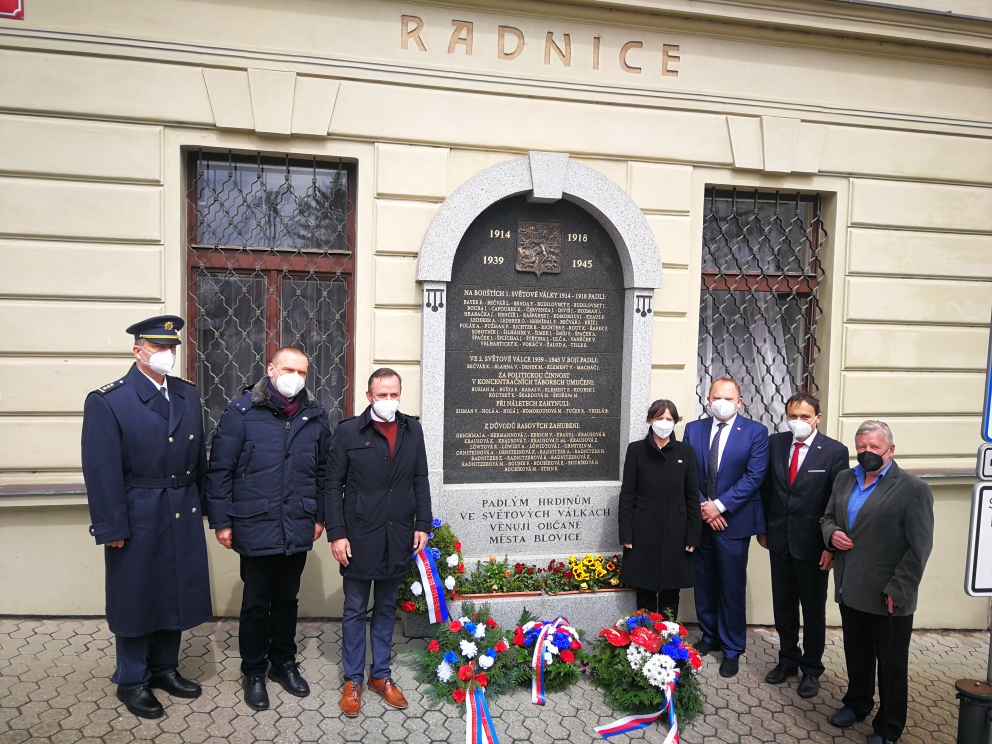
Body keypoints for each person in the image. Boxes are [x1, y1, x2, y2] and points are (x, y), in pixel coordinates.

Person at [81, 315, 211, 719]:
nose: (167, 354)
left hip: (181, 506)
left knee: (174, 591)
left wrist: (206, 508)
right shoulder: (109, 400)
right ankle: (133, 679)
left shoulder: (187, 394)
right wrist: (111, 525)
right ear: (138, 351)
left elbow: (199, 459)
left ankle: (164, 668)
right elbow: (101, 470)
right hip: (137, 511)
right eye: (158, 347)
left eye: (171, 348)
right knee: (136, 597)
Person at [204, 346, 331, 711]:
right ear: (271, 370)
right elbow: (221, 470)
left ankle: (283, 663)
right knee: (257, 603)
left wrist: (319, 516)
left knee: (287, 600)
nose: (296, 378)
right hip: (255, 522)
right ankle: (254, 671)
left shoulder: (315, 415)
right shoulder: (241, 412)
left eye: (302, 372)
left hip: (298, 523)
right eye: (289, 369)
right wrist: (221, 521)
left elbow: (323, 472)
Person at [326, 368, 432, 717]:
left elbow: (420, 478)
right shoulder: (348, 431)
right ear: (369, 396)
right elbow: (332, 486)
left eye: (394, 394)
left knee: (386, 608)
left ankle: (381, 675)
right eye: (382, 394)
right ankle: (353, 679)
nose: (388, 400)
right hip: (359, 534)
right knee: (355, 609)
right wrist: (337, 534)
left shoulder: (412, 429)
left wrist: (422, 524)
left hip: (397, 533)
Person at [821, 420, 934, 744]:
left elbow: (920, 546)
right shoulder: (845, 478)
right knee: (857, 654)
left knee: (891, 665)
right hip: (851, 588)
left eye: (874, 446)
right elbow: (827, 517)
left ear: (891, 449)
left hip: (889, 594)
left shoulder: (913, 488)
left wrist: (899, 588)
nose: (867, 452)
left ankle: (888, 726)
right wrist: (832, 534)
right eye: (861, 447)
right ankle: (857, 703)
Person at [757, 393, 849, 699]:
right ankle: (787, 660)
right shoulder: (775, 443)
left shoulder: (834, 451)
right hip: (779, 539)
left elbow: (837, 501)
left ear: (817, 418)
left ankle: (811, 669)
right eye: (792, 416)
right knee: (783, 606)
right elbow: (767, 489)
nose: (798, 422)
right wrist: (764, 529)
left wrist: (830, 547)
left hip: (813, 545)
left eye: (805, 417)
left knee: (812, 610)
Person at [683, 377, 769, 678]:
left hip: (734, 521)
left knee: (731, 586)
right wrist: (704, 507)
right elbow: (687, 473)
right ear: (708, 400)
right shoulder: (693, 429)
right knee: (704, 582)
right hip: (702, 519)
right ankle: (710, 636)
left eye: (728, 398)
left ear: (739, 402)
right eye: (716, 397)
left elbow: (754, 476)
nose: (721, 403)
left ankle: (732, 648)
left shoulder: (756, 432)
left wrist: (719, 506)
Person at [618, 399, 701, 620]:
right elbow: (627, 494)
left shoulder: (686, 452)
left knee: (671, 594)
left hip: (676, 533)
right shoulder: (636, 450)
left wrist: (693, 535)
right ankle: (643, 636)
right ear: (650, 421)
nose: (664, 423)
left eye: (669, 418)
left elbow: (692, 497)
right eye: (659, 418)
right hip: (643, 532)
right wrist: (626, 533)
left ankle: (668, 637)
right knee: (644, 592)